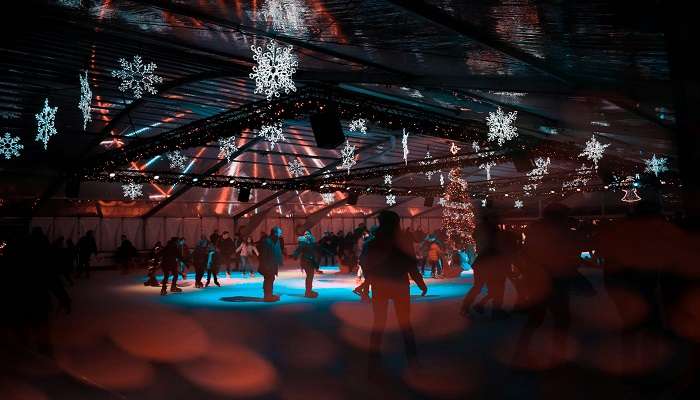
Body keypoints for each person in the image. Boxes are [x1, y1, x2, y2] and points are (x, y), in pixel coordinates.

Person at [364, 211, 427, 369]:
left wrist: (368, 283)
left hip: (380, 286)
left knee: (379, 322)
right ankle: (412, 359)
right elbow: (411, 264)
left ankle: (373, 359)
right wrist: (420, 282)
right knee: (405, 322)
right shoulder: (402, 243)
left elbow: (366, 265)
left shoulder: (373, 243)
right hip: (399, 285)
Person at [259, 226, 284, 302]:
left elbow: (278, 252)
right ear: (275, 233)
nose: (281, 233)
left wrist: (279, 261)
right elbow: (263, 254)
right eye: (280, 232)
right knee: (268, 279)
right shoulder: (267, 241)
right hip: (267, 264)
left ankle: (269, 294)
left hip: (272, 264)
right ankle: (267, 296)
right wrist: (265, 264)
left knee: (271, 279)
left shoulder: (276, 240)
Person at [292, 230, 319, 298]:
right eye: (306, 234)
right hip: (306, 261)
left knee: (310, 276)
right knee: (310, 276)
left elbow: (314, 251)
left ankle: (309, 290)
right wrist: (295, 255)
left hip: (310, 261)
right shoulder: (304, 242)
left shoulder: (311, 242)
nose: (307, 235)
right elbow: (299, 249)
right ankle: (308, 292)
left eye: (308, 234)